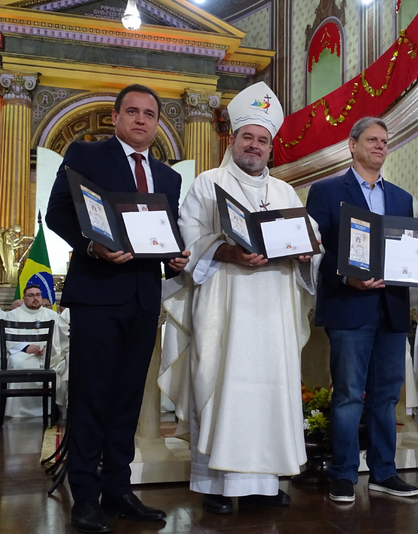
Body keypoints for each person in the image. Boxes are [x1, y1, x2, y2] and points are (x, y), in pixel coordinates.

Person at [160, 81, 321, 515]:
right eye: (247, 136)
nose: (254, 145)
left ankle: (264, 483)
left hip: (274, 310)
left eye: (262, 140)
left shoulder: (286, 192)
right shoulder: (207, 184)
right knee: (220, 382)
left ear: (271, 148)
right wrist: (227, 250)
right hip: (224, 303)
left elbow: (310, 240)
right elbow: (188, 239)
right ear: (233, 140)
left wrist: (308, 252)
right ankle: (215, 483)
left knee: (271, 390)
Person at [46, 83, 189, 533]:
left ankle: (118, 489)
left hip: (145, 297)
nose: (142, 120)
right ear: (116, 117)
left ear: (157, 121)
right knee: (92, 396)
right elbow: (58, 213)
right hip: (97, 293)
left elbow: (164, 233)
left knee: (128, 399)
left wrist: (176, 255)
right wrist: (91, 246)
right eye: (133, 111)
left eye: (149, 113)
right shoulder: (86, 156)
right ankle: (85, 495)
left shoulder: (168, 178)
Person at [306, 116, 418, 503]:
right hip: (350, 305)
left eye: (384, 140)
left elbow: (405, 248)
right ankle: (344, 473)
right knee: (348, 394)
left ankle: (384, 471)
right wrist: (347, 278)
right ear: (352, 145)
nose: (380, 146)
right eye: (372, 140)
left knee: (385, 396)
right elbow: (317, 250)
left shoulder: (400, 197)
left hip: (392, 307)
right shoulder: (327, 191)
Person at [3, 284, 61, 418]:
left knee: (60, 365)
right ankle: (17, 411)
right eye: (31, 295)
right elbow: (7, 337)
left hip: (47, 354)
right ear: (24, 298)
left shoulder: (52, 315)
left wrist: (47, 348)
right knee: (17, 362)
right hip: (22, 354)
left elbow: (59, 339)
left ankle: (49, 410)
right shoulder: (12, 315)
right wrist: (25, 347)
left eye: (38, 295)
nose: (35, 298)